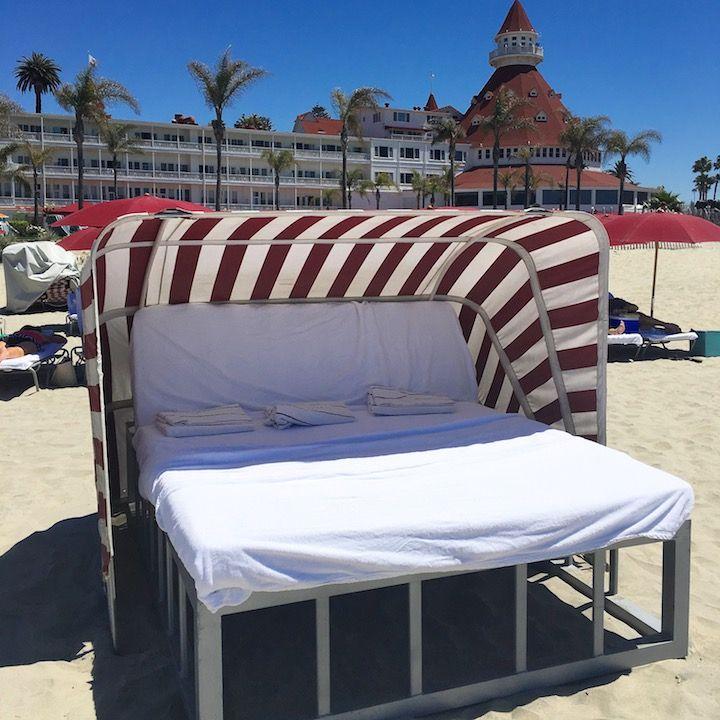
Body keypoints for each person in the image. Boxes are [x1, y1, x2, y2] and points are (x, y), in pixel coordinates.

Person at [0, 326, 65, 363]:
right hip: (30, 340)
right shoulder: (39, 335)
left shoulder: (18, 332)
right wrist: (50, 338)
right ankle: (6, 353)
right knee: (21, 349)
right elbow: (62, 340)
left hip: (12, 337)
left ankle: (2, 347)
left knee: (5, 343)